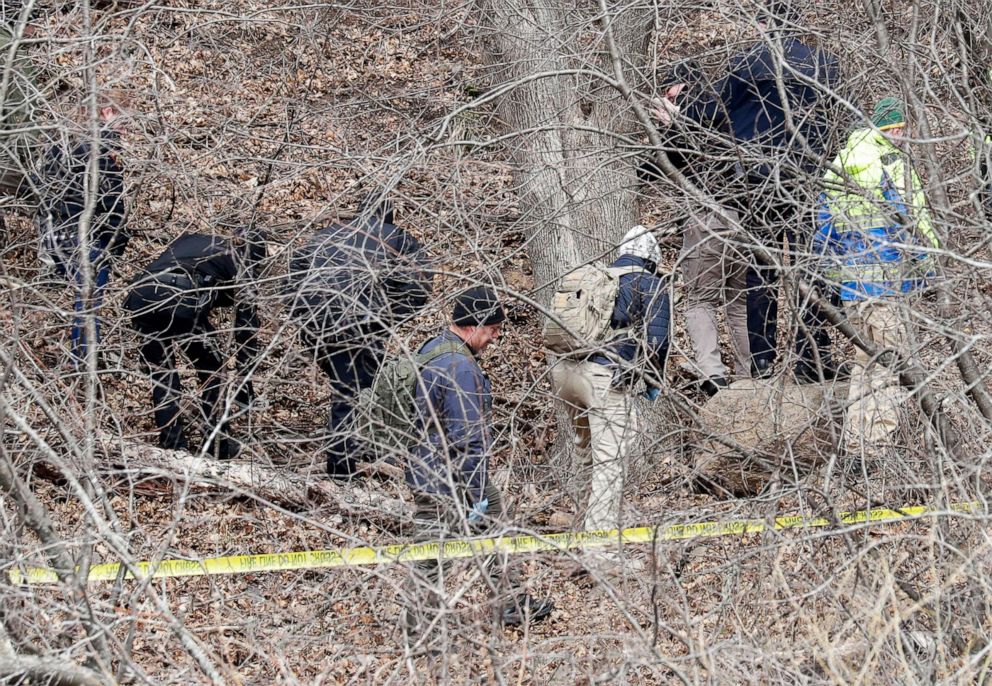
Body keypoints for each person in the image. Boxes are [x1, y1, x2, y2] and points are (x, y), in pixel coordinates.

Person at [652, 0, 842, 381]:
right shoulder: (826, 65)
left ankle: (762, 360)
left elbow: (713, 112)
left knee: (762, 274)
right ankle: (812, 357)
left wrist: (677, 117)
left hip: (758, 183)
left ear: (761, 24)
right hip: (807, 178)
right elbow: (837, 121)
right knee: (809, 268)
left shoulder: (749, 61)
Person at [402, 286, 553, 646]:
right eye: (493, 329)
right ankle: (420, 633)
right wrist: (474, 491)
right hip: (445, 477)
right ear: (474, 325)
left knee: (493, 516)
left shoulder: (434, 348)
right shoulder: (460, 369)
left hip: (434, 467)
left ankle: (510, 602)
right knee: (432, 556)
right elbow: (467, 437)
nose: (496, 337)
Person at [814, 97, 939, 465]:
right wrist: (930, 269)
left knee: (864, 366)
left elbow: (824, 236)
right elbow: (912, 221)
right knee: (888, 368)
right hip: (887, 285)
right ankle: (879, 452)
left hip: (855, 289)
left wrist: (841, 282)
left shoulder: (840, 166)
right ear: (896, 130)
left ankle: (854, 447)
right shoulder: (890, 163)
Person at [549, 226, 669, 570]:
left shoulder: (599, 274)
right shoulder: (651, 284)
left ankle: (578, 535)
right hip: (602, 378)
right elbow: (658, 342)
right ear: (652, 257)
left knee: (584, 454)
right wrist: (651, 382)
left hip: (565, 373)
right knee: (610, 463)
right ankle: (599, 553)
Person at [286, 194, 432, 479]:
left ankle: (365, 449)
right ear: (389, 218)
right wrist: (389, 316)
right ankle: (341, 473)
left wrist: (301, 315)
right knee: (349, 391)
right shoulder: (395, 238)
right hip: (358, 323)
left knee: (363, 381)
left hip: (316, 323)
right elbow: (420, 286)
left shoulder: (328, 235)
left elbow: (293, 276)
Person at [648, 62, 750, 394]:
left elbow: (658, 165)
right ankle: (750, 374)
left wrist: (671, 124)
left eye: (668, 91)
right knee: (738, 300)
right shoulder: (730, 106)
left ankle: (713, 374)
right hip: (744, 215)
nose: (665, 98)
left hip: (706, 216)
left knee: (698, 299)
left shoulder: (692, 114)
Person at [123, 230, 264, 459]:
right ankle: (218, 443)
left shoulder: (192, 240)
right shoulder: (242, 261)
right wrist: (244, 378)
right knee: (213, 371)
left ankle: (172, 445)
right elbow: (246, 328)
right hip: (181, 298)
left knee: (162, 374)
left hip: (140, 295)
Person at [35, 98, 128, 365]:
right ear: (107, 113)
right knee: (89, 303)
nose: (126, 130)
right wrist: (115, 242)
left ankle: (79, 358)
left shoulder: (59, 143)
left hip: (55, 234)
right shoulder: (103, 150)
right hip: (85, 237)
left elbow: (42, 193)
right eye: (124, 122)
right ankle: (84, 364)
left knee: (82, 300)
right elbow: (112, 205)